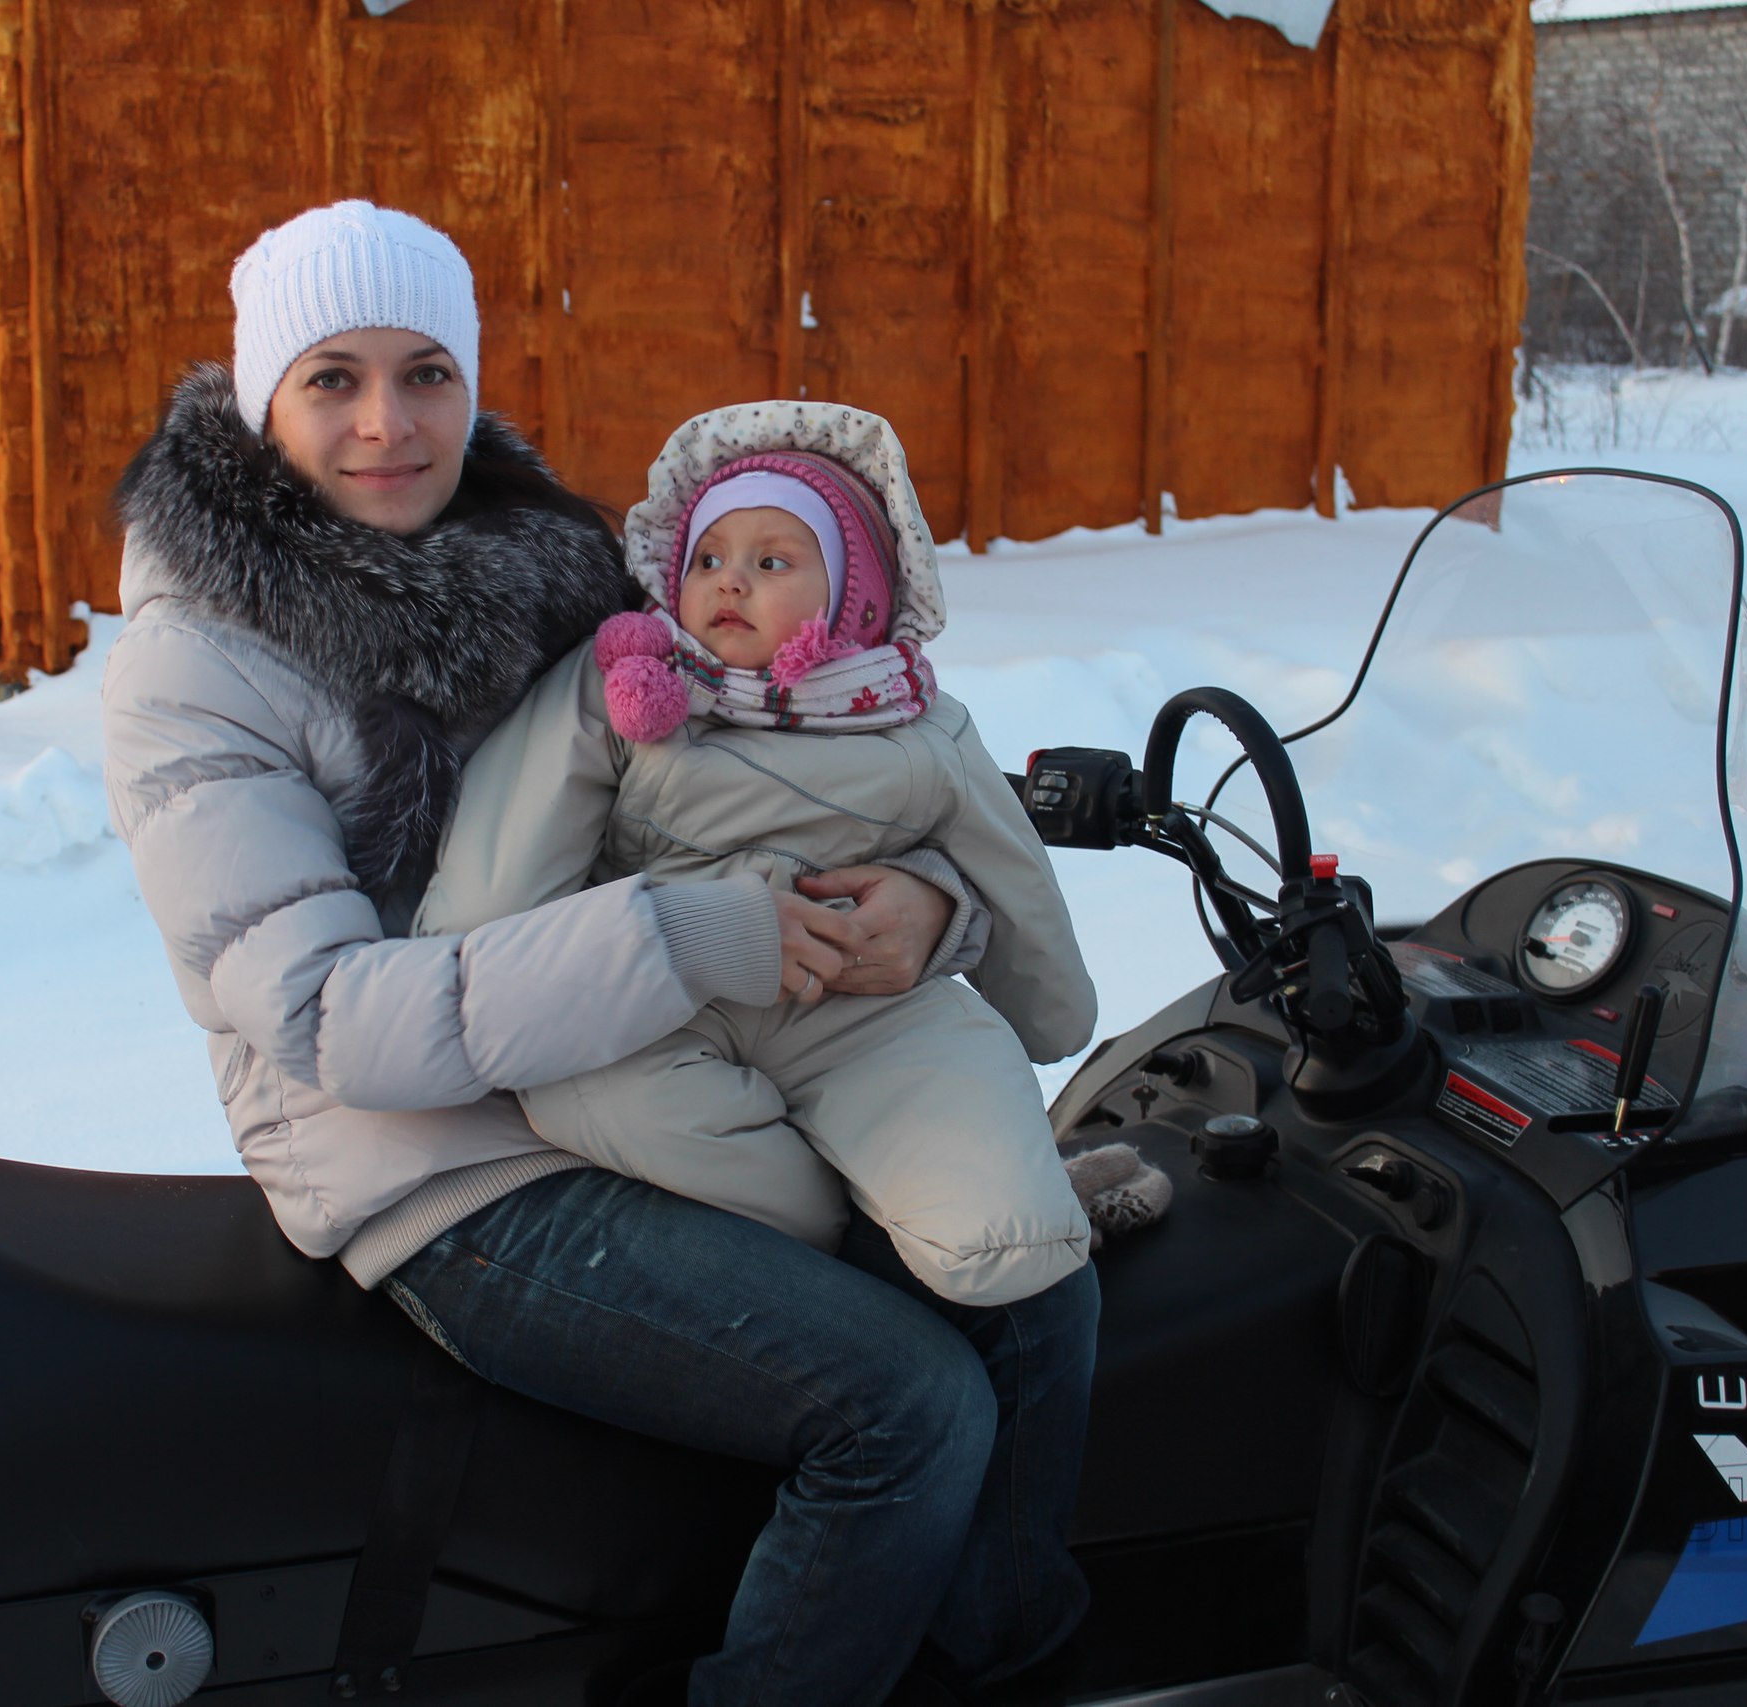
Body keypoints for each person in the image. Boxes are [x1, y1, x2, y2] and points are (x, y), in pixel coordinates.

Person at [102, 199, 1100, 1706]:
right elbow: (328, 1020)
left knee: (1032, 1295)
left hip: (659, 1060)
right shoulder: (196, 667)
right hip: (446, 1167)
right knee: (902, 1404)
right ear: (262, 400)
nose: (388, 423)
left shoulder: (549, 564)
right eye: (333, 379)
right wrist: (685, 936)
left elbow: (760, 787)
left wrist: (929, 906)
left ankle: (992, 1653)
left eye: (428, 373)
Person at [417, 403, 1098, 1306]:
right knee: (588, 1093)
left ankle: (968, 1194)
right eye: (707, 559)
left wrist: (1047, 1008)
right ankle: (826, 1220)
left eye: (772, 562)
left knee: (1007, 1238)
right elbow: (516, 834)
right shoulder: (631, 688)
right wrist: (458, 969)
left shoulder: (918, 727)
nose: (729, 581)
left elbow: (1012, 875)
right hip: (662, 998)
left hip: (861, 1008)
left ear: (856, 594)